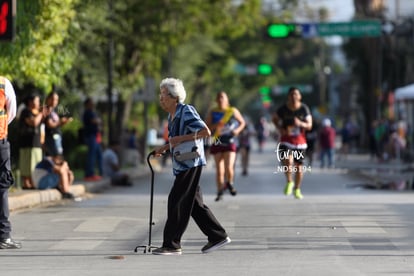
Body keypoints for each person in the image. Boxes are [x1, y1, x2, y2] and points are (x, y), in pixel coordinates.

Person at [152, 78, 230, 255]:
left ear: (174, 97)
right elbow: (174, 140)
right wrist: (164, 148)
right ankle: (217, 236)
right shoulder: (172, 116)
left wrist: (180, 139)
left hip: (191, 162)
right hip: (182, 163)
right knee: (194, 204)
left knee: (176, 200)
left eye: (164, 95)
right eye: (160, 94)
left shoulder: (186, 111)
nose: (161, 98)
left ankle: (172, 244)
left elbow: (205, 132)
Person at [272, 87, 312, 200]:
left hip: (300, 142)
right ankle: (289, 181)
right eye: (291, 94)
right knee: (288, 161)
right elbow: (274, 118)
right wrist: (280, 128)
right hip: (286, 140)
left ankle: (297, 189)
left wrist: (300, 123)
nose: (294, 96)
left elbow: (309, 125)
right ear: (288, 97)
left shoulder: (304, 109)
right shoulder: (283, 109)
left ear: (300, 96)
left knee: (299, 168)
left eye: (296, 94)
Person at [206, 91, 246, 201]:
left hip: (230, 140)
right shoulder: (213, 112)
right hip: (217, 140)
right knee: (219, 169)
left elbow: (242, 122)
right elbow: (207, 127)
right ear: (216, 100)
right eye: (218, 98)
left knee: (229, 166)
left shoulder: (232, 111)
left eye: (222, 97)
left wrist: (237, 130)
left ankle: (229, 183)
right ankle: (219, 191)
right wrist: (216, 125)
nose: (220, 100)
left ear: (227, 100)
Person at [0, 76, 21, 249]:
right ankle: (3, 236)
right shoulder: (3, 83)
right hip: (0, 141)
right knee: (1, 187)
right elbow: (11, 113)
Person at [18, 93, 45, 189]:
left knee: (35, 163)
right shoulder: (26, 111)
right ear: (30, 102)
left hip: (36, 142)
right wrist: (41, 113)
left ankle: (32, 183)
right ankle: (27, 183)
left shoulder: (37, 112)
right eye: (36, 101)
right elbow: (33, 122)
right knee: (27, 163)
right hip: (27, 143)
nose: (38, 103)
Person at [43, 91, 72, 157]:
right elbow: (49, 124)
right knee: (56, 157)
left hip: (56, 136)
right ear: (48, 99)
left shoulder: (54, 110)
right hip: (51, 137)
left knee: (58, 156)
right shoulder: (46, 110)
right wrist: (60, 121)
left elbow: (56, 124)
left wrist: (64, 122)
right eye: (52, 99)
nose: (54, 101)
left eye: (56, 99)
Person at [82, 98, 103, 181]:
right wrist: (98, 121)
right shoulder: (88, 113)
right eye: (91, 103)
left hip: (95, 136)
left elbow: (98, 121)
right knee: (91, 155)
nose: (93, 104)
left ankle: (96, 173)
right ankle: (89, 174)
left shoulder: (93, 112)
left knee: (98, 155)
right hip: (91, 136)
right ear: (87, 104)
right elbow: (95, 121)